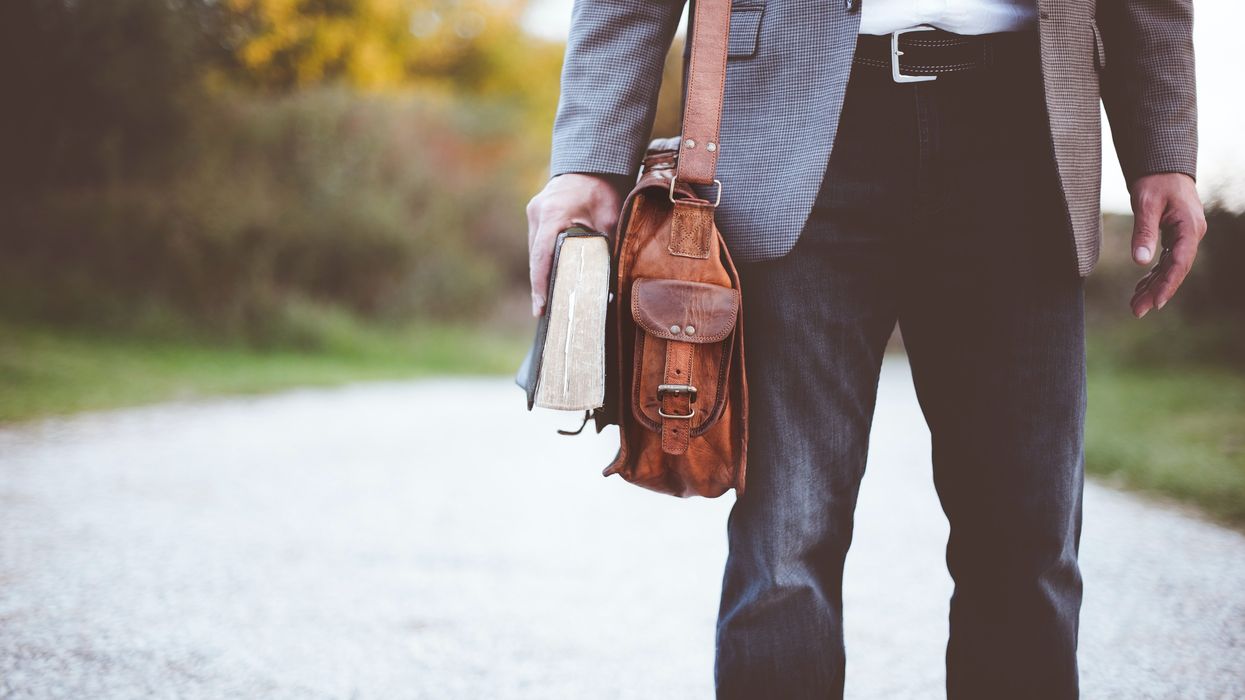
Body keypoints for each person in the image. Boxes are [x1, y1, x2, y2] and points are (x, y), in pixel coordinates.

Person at [525, 0, 1205, 697]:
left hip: (1023, 129)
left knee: (1026, 543)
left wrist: (1161, 147)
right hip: (797, 123)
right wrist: (589, 159)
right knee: (784, 546)